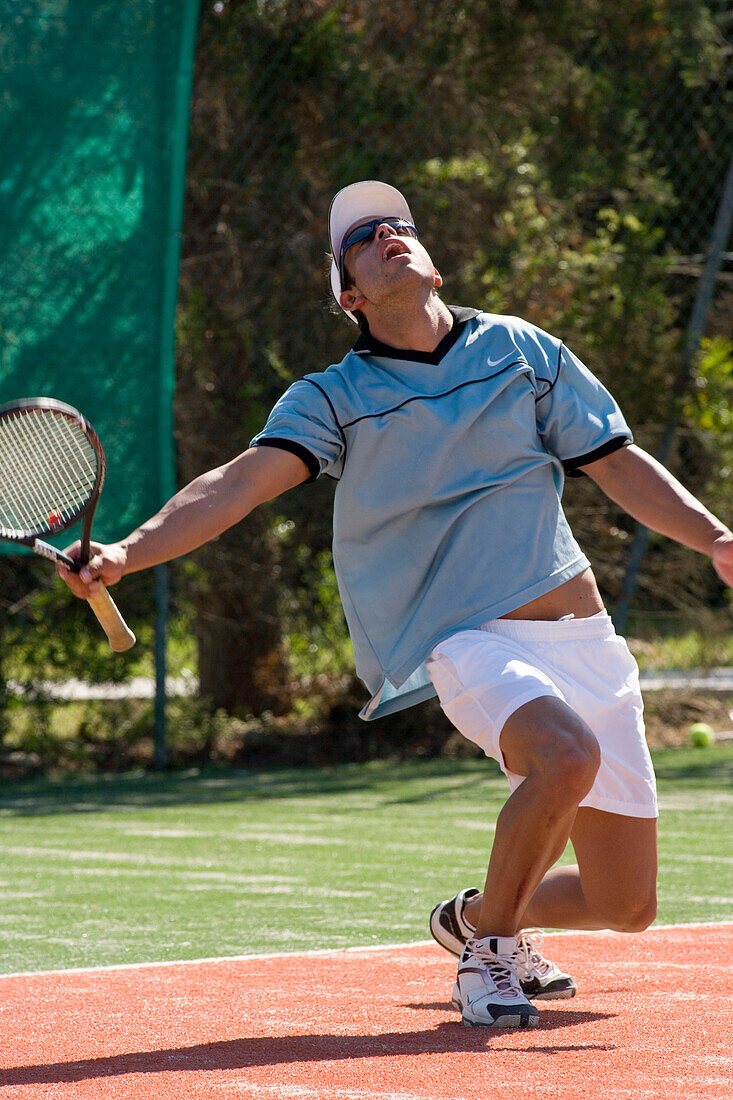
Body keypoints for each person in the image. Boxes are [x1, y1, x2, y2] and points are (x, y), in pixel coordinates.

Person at [58, 180, 733, 1030]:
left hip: (583, 638)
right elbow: (236, 484)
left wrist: (714, 538)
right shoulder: (333, 398)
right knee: (562, 757)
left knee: (624, 902)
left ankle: (475, 918)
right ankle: (489, 962)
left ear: (433, 264)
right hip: (464, 639)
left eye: (399, 226)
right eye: (364, 238)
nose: (388, 236)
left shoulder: (521, 350)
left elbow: (616, 459)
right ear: (349, 293)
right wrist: (126, 552)